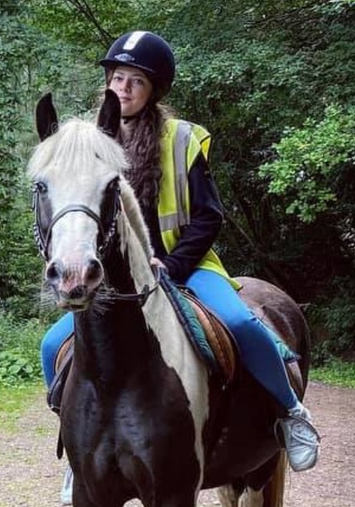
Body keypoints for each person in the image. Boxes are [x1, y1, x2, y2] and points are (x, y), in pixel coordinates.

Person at [40, 31, 320, 503]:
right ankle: (81, 450)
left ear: (154, 91)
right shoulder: (87, 142)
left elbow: (209, 215)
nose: (122, 88)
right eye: (116, 77)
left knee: (241, 324)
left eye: (135, 81)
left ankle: (291, 415)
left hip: (188, 266)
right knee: (53, 346)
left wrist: (171, 262)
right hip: (122, 279)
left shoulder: (184, 138)